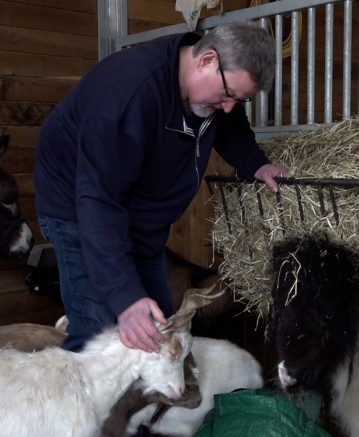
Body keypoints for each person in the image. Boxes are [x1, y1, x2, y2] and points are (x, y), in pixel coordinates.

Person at [34, 21, 290, 352]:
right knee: (98, 339)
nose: (228, 107)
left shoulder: (213, 90)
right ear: (206, 60)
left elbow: (230, 124)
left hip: (139, 216)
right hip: (80, 209)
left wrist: (256, 163)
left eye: (238, 100)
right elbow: (98, 202)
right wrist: (126, 300)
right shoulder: (129, 95)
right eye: (228, 95)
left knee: (155, 329)